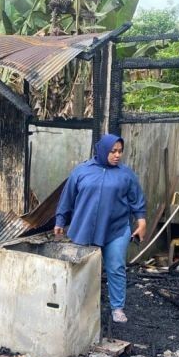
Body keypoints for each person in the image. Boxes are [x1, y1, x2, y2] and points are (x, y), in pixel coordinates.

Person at [54, 133, 147, 323]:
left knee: (116, 267)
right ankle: (80, 305)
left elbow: (137, 200)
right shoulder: (81, 171)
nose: (117, 155)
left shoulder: (126, 174)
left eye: (120, 151)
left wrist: (142, 222)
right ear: (103, 150)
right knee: (82, 268)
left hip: (116, 229)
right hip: (84, 228)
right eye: (113, 151)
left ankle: (117, 308)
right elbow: (67, 198)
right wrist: (60, 221)